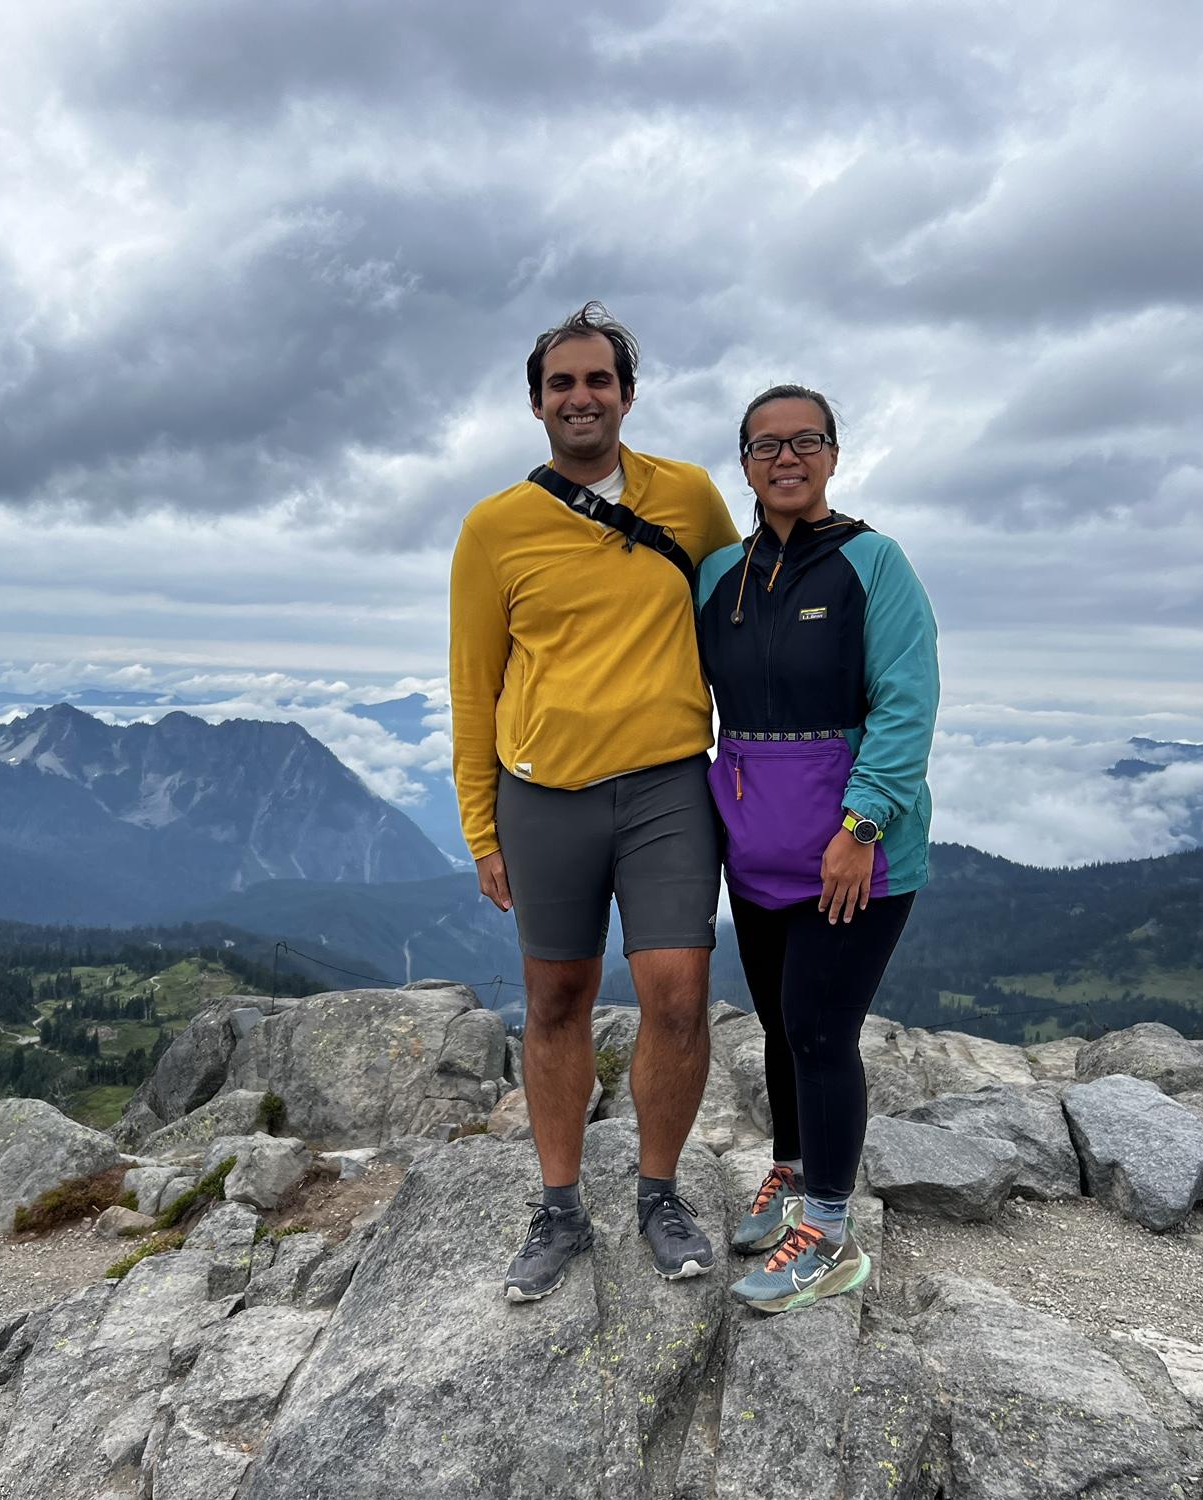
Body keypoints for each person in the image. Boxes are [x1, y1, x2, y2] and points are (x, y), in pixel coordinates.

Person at [450, 302, 741, 1302]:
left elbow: (741, 624)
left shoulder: (692, 499)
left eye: (598, 380)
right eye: (562, 383)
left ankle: (658, 1195)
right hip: (544, 797)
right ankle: (561, 1207)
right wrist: (481, 827)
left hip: (667, 784)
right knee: (557, 1000)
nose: (582, 397)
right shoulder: (494, 529)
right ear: (537, 404)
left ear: (626, 392)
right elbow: (473, 685)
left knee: (675, 995)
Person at [695, 384, 938, 1314]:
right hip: (757, 850)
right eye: (765, 445)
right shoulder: (722, 574)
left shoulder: (876, 564)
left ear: (834, 455)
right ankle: (792, 1176)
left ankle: (830, 1232)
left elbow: (907, 705)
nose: (785, 458)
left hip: (853, 854)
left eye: (806, 441)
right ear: (745, 463)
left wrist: (861, 829)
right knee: (780, 1028)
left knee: (823, 1031)